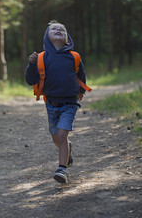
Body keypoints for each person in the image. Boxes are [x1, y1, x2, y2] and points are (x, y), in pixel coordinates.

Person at [25, 21, 88, 183]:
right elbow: (30, 79)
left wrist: (80, 91)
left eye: (62, 29)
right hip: (51, 104)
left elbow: (81, 75)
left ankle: (62, 169)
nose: (58, 30)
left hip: (70, 103)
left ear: (67, 38)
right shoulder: (41, 58)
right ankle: (67, 149)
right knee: (57, 138)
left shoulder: (74, 57)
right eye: (54, 29)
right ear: (47, 37)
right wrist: (31, 65)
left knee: (62, 135)